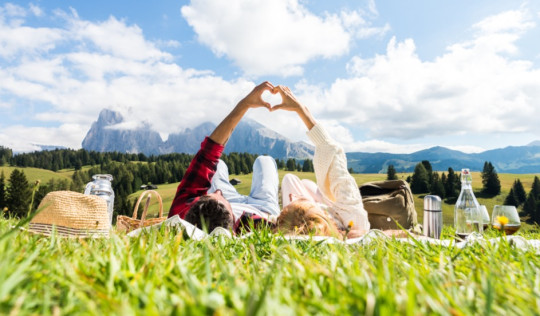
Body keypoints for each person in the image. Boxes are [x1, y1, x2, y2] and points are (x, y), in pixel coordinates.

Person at [168, 82, 280, 233]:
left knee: (218, 164)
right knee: (264, 161)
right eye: (218, 195)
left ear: (195, 203)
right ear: (234, 223)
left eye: (210, 194)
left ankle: (223, 200)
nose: (218, 191)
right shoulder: (255, 227)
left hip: (231, 201)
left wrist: (244, 104)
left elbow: (208, 154)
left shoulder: (181, 211)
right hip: (262, 207)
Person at [270, 86, 370, 238]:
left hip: (320, 217)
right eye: (309, 204)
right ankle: (309, 199)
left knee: (290, 179)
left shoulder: (307, 230)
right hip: (335, 212)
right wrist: (301, 109)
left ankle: (304, 199)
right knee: (304, 184)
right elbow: (332, 151)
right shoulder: (353, 219)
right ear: (322, 214)